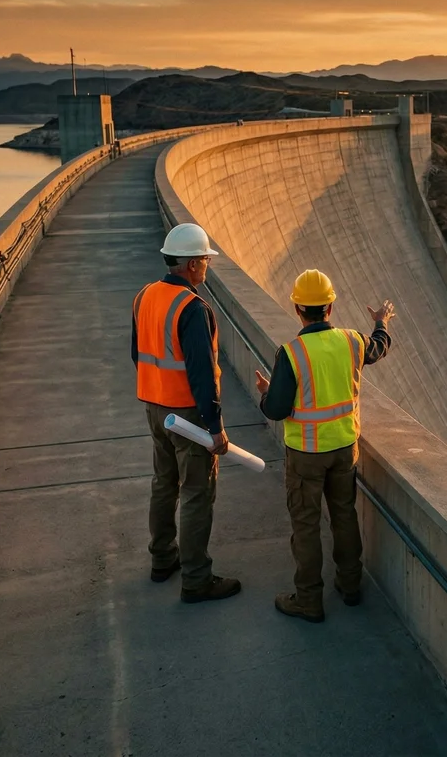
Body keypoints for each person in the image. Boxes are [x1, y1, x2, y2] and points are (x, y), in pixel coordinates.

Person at [255, 269, 395, 623]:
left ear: (299, 310)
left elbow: (277, 409)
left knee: (306, 525)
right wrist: (381, 322)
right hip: (345, 449)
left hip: (306, 456)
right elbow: (379, 348)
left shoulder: (291, 354)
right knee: (344, 516)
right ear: (330, 307)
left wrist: (265, 393)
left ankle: (308, 600)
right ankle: (350, 587)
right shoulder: (352, 341)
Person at [132, 222, 240, 603]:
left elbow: (138, 354)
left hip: (155, 408)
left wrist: (157, 395)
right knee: (196, 493)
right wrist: (215, 428)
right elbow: (201, 374)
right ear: (193, 264)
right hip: (189, 417)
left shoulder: (145, 296)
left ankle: (163, 559)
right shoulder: (193, 308)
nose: (207, 267)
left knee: (164, 482)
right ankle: (196, 579)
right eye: (206, 260)